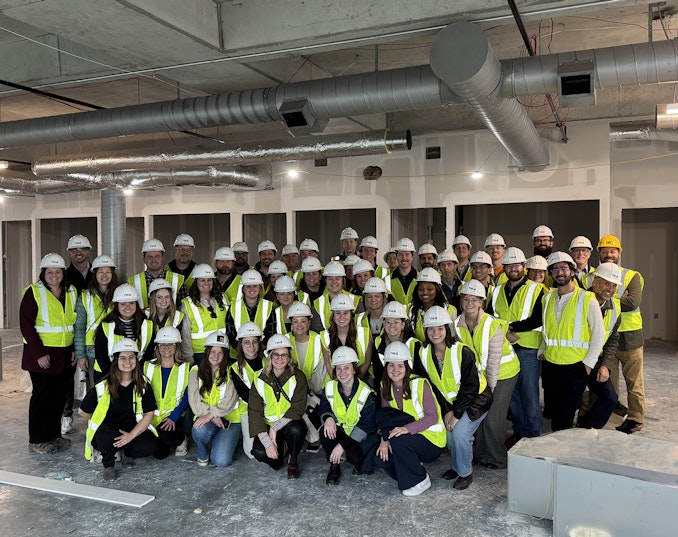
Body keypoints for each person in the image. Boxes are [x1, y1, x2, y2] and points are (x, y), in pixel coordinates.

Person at [419, 306, 492, 491]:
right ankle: (456, 467)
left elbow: (471, 387)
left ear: (447, 329)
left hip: (477, 400)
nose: (435, 333)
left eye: (440, 328)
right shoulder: (424, 353)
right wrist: (446, 412)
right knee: (448, 433)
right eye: (431, 329)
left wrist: (456, 414)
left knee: (460, 434)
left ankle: (465, 473)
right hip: (451, 404)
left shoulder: (462, 351)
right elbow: (433, 387)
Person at [454, 280, 519, 470]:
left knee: (493, 417)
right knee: (479, 414)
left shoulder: (491, 324)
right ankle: (482, 455)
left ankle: (497, 458)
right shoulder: (457, 324)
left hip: (503, 374)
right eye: (466, 299)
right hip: (481, 378)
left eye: (474, 299)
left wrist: (490, 388)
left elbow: (494, 360)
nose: (470, 303)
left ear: (481, 302)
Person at [539, 252, 605, 431]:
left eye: (564, 268)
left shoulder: (586, 298)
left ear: (572, 272)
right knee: (553, 410)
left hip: (576, 365)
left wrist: (589, 362)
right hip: (551, 363)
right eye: (555, 270)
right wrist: (542, 350)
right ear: (551, 274)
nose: (560, 273)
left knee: (566, 414)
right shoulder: (547, 298)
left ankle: (563, 445)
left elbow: (599, 333)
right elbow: (547, 328)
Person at [487, 247, 545, 447]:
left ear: (524, 266)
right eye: (509, 265)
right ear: (504, 267)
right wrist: (505, 331)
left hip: (528, 349)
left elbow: (538, 319)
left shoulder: (537, 289)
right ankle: (520, 431)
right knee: (512, 394)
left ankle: (533, 434)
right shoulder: (496, 291)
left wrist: (509, 328)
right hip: (505, 350)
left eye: (517, 265)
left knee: (529, 394)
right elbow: (490, 318)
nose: (513, 268)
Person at [21, 253, 77, 454]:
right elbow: (26, 325)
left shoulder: (71, 291)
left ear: (63, 273)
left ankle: (53, 436)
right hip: (42, 355)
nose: (54, 275)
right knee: (42, 398)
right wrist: (39, 353)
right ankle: (37, 439)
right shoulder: (34, 292)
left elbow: (72, 324)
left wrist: (73, 349)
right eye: (50, 272)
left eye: (58, 272)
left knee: (58, 398)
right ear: (43, 273)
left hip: (63, 354)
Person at [80, 338, 158, 481]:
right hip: (108, 431)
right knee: (107, 434)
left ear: (136, 360)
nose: (127, 361)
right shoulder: (103, 386)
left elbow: (149, 414)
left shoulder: (143, 384)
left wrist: (131, 435)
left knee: (150, 445)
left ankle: (126, 452)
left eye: (131, 357)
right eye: (122, 358)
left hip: (131, 429)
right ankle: (108, 464)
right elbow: (82, 411)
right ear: (115, 360)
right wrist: (100, 421)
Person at [374, 342, 445, 496]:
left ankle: (420, 480)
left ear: (407, 366)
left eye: (400, 366)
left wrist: (406, 429)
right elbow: (386, 418)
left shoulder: (420, 384)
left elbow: (432, 417)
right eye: (391, 365)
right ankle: (411, 468)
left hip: (431, 440)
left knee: (398, 439)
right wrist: (384, 440)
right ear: (386, 367)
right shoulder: (384, 386)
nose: (395, 370)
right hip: (407, 439)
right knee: (381, 458)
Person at [596, 235, 646, 434]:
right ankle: (612, 413)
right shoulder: (594, 275)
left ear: (619, 253)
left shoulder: (632, 276)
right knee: (609, 382)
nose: (609, 255)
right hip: (607, 336)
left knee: (634, 382)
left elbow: (632, 302)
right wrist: (618, 298)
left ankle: (635, 418)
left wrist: (605, 297)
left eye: (612, 251)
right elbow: (591, 299)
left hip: (630, 337)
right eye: (605, 251)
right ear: (599, 254)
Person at [248, 334, 309, 479]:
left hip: (288, 424)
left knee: (296, 430)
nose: (280, 359)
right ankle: (282, 449)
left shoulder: (298, 376)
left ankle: (293, 459)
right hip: (267, 426)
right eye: (276, 354)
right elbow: (255, 412)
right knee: (262, 454)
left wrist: (275, 428)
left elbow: (297, 408)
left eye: (284, 355)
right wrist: (268, 443)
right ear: (269, 356)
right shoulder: (259, 378)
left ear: (289, 357)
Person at [319, 346, 379, 484]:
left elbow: (366, 426)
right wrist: (328, 418)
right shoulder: (329, 387)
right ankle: (335, 466)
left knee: (355, 458)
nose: (342, 372)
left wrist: (341, 446)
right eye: (338, 368)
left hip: (360, 437)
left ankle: (344, 454)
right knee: (325, 431)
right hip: (341, 431)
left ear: (354, 369)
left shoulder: (366, 393)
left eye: (347, 367)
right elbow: (324, 408)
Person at [577, 263, 622, 429]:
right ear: (595, 282)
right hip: (575, 359)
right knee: (571, 401)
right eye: (606, 283)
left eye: (614, 285)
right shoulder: (579, 300)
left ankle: (587, 428)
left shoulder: (615, 308)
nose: (610, 289)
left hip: (595, 360)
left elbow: (612, 340)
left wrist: (605, 365)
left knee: (610, 398)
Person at [188, 331, 240, 467]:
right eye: (213, 351)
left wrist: (212, 414)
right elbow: (194, 400)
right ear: (207, 352)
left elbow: (230, 399)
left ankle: (221, 439)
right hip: (206, 417)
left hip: (229, 420)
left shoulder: (232, 371)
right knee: (199, 430)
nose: (216, 356)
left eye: (220, 353)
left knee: (221, 461)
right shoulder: (195, 371)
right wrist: (211, 416)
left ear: (225, 355)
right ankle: (202, 451)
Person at [73, 254, 117, 404]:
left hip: (115, 347)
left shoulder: (118, 294)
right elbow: (79, 329)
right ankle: (96, 417)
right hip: (92, 351)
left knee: (115, 388)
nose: (104, 275)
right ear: (95, 274)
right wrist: (81, 355)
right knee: (96, 389)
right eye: (100, 272)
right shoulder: (85, 296)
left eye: (108, 272)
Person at [143, 327, 190, 459]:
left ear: (177, 346)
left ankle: (182, 439)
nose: (166, 347)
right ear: (157, 347)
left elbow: (187, 397)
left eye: (170, 344)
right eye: (162, 344)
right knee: (159, 454)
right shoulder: (147, 366)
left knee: (166, 438)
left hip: (175, 415)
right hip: (152, 416)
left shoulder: (186, 368)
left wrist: (174, 417)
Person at [94, 283, 154, 383]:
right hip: (107, 374)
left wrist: (135, 375)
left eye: (131, 303)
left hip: (136, 375)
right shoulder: (106, 326)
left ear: (136, 304)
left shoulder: (147, 325)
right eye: (123, 304)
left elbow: (149, 354)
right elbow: (101, 356)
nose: (128, 307)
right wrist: (115, 377)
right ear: (117, 305)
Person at [287, 301, 327, 452]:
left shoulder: (319, 339)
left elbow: (325, 368)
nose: (299, 325)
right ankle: (311, 436)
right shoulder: (285, 341)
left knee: (306, 403)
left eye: (303, 321)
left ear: (309, 323)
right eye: (295, 321)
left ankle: (315, 437)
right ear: (291, 324)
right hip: (295, 391)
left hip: (317, 388)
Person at [180, 264, 228, 365]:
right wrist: (189, 358)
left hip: (222, 350)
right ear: (196, 282)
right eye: (202, 280)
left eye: (209, 280)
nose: (206, 283)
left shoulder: (223, 299)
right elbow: (185, 334)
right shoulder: (187, 304)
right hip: (200, 353)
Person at [230, 322, 265, 459]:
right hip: (249, 410)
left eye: (254, 341)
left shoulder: (267, 361)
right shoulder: (235, 368)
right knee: (252, 453)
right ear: (241, 345)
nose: (251, 346)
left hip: (271, 408)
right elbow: (244, 395)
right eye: (246, 342)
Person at [321, 294, 373, 379]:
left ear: (351, 315)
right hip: (336, 380)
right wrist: (340, 383)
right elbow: (328, 365)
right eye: (338, 313)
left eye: (346, 313)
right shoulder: (325, 336)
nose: (342, 317)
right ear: (333, 316)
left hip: (361, 379)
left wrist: (354, 383)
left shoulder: (365, 333)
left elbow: (367, 363)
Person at [225, 269, 276, 355]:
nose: (252, 289)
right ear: (243, 289)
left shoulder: (269, 307)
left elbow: (271, 332)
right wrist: (242, 350)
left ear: (260, 288)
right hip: (238, 355)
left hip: (262, 354)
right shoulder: (233, 307)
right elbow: (230, 333)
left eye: (255, 286)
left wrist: (257, 350)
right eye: (248, 286)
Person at [128, 238, 182, 309]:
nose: (154, 260)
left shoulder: (177, 280)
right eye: (149, 257)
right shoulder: (133, 283)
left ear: (162, 258)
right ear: (144, 259)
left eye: (157, 256)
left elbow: (183, 308)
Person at [408, 267, 456, 342]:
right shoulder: (411, 309)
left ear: (437, 290)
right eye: (421, 289)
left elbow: (453, 338)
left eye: (429, 289)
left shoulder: (450, 310)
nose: (425, 292)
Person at [314, 261, 358, 329]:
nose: (334, 282)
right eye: (330, 278)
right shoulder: (317, 304)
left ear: (343, 281)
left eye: (337, 278)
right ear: (325, 281)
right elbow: (317, 330)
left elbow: (361, 329)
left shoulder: (356, 301)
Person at [384, 238, 418, 305]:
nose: (404, 258)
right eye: (400, 254)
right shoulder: (387, 281)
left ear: (412, 257)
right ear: (396, 256)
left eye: (407, 254)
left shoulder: (420, 278)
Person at [169, 233, 197, 301]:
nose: (185, 252)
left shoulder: (199, 270)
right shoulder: (166, 270)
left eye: (188, 250)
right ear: (175, 250)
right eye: (181, 249)